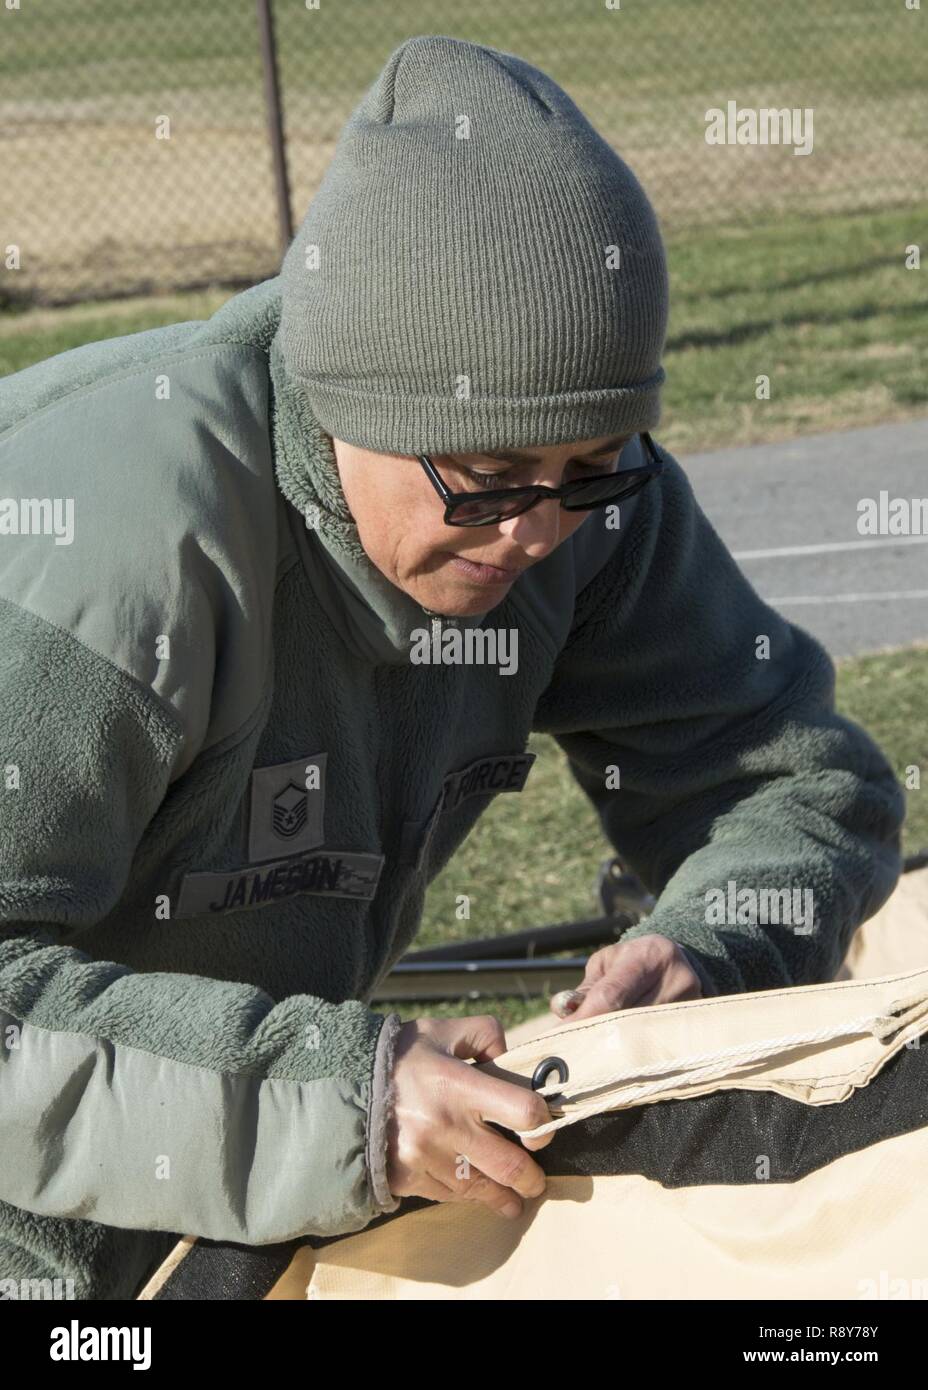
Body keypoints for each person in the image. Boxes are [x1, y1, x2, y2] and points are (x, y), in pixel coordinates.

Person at [0, 34, 904, 1300]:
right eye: (483, 484)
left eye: (593, 466)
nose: (538, 533)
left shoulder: (580, 501)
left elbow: (799, 788)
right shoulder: (105, 541)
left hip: (234, 1237)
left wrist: (711, 950)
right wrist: (345, 1107)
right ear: (339, 399)